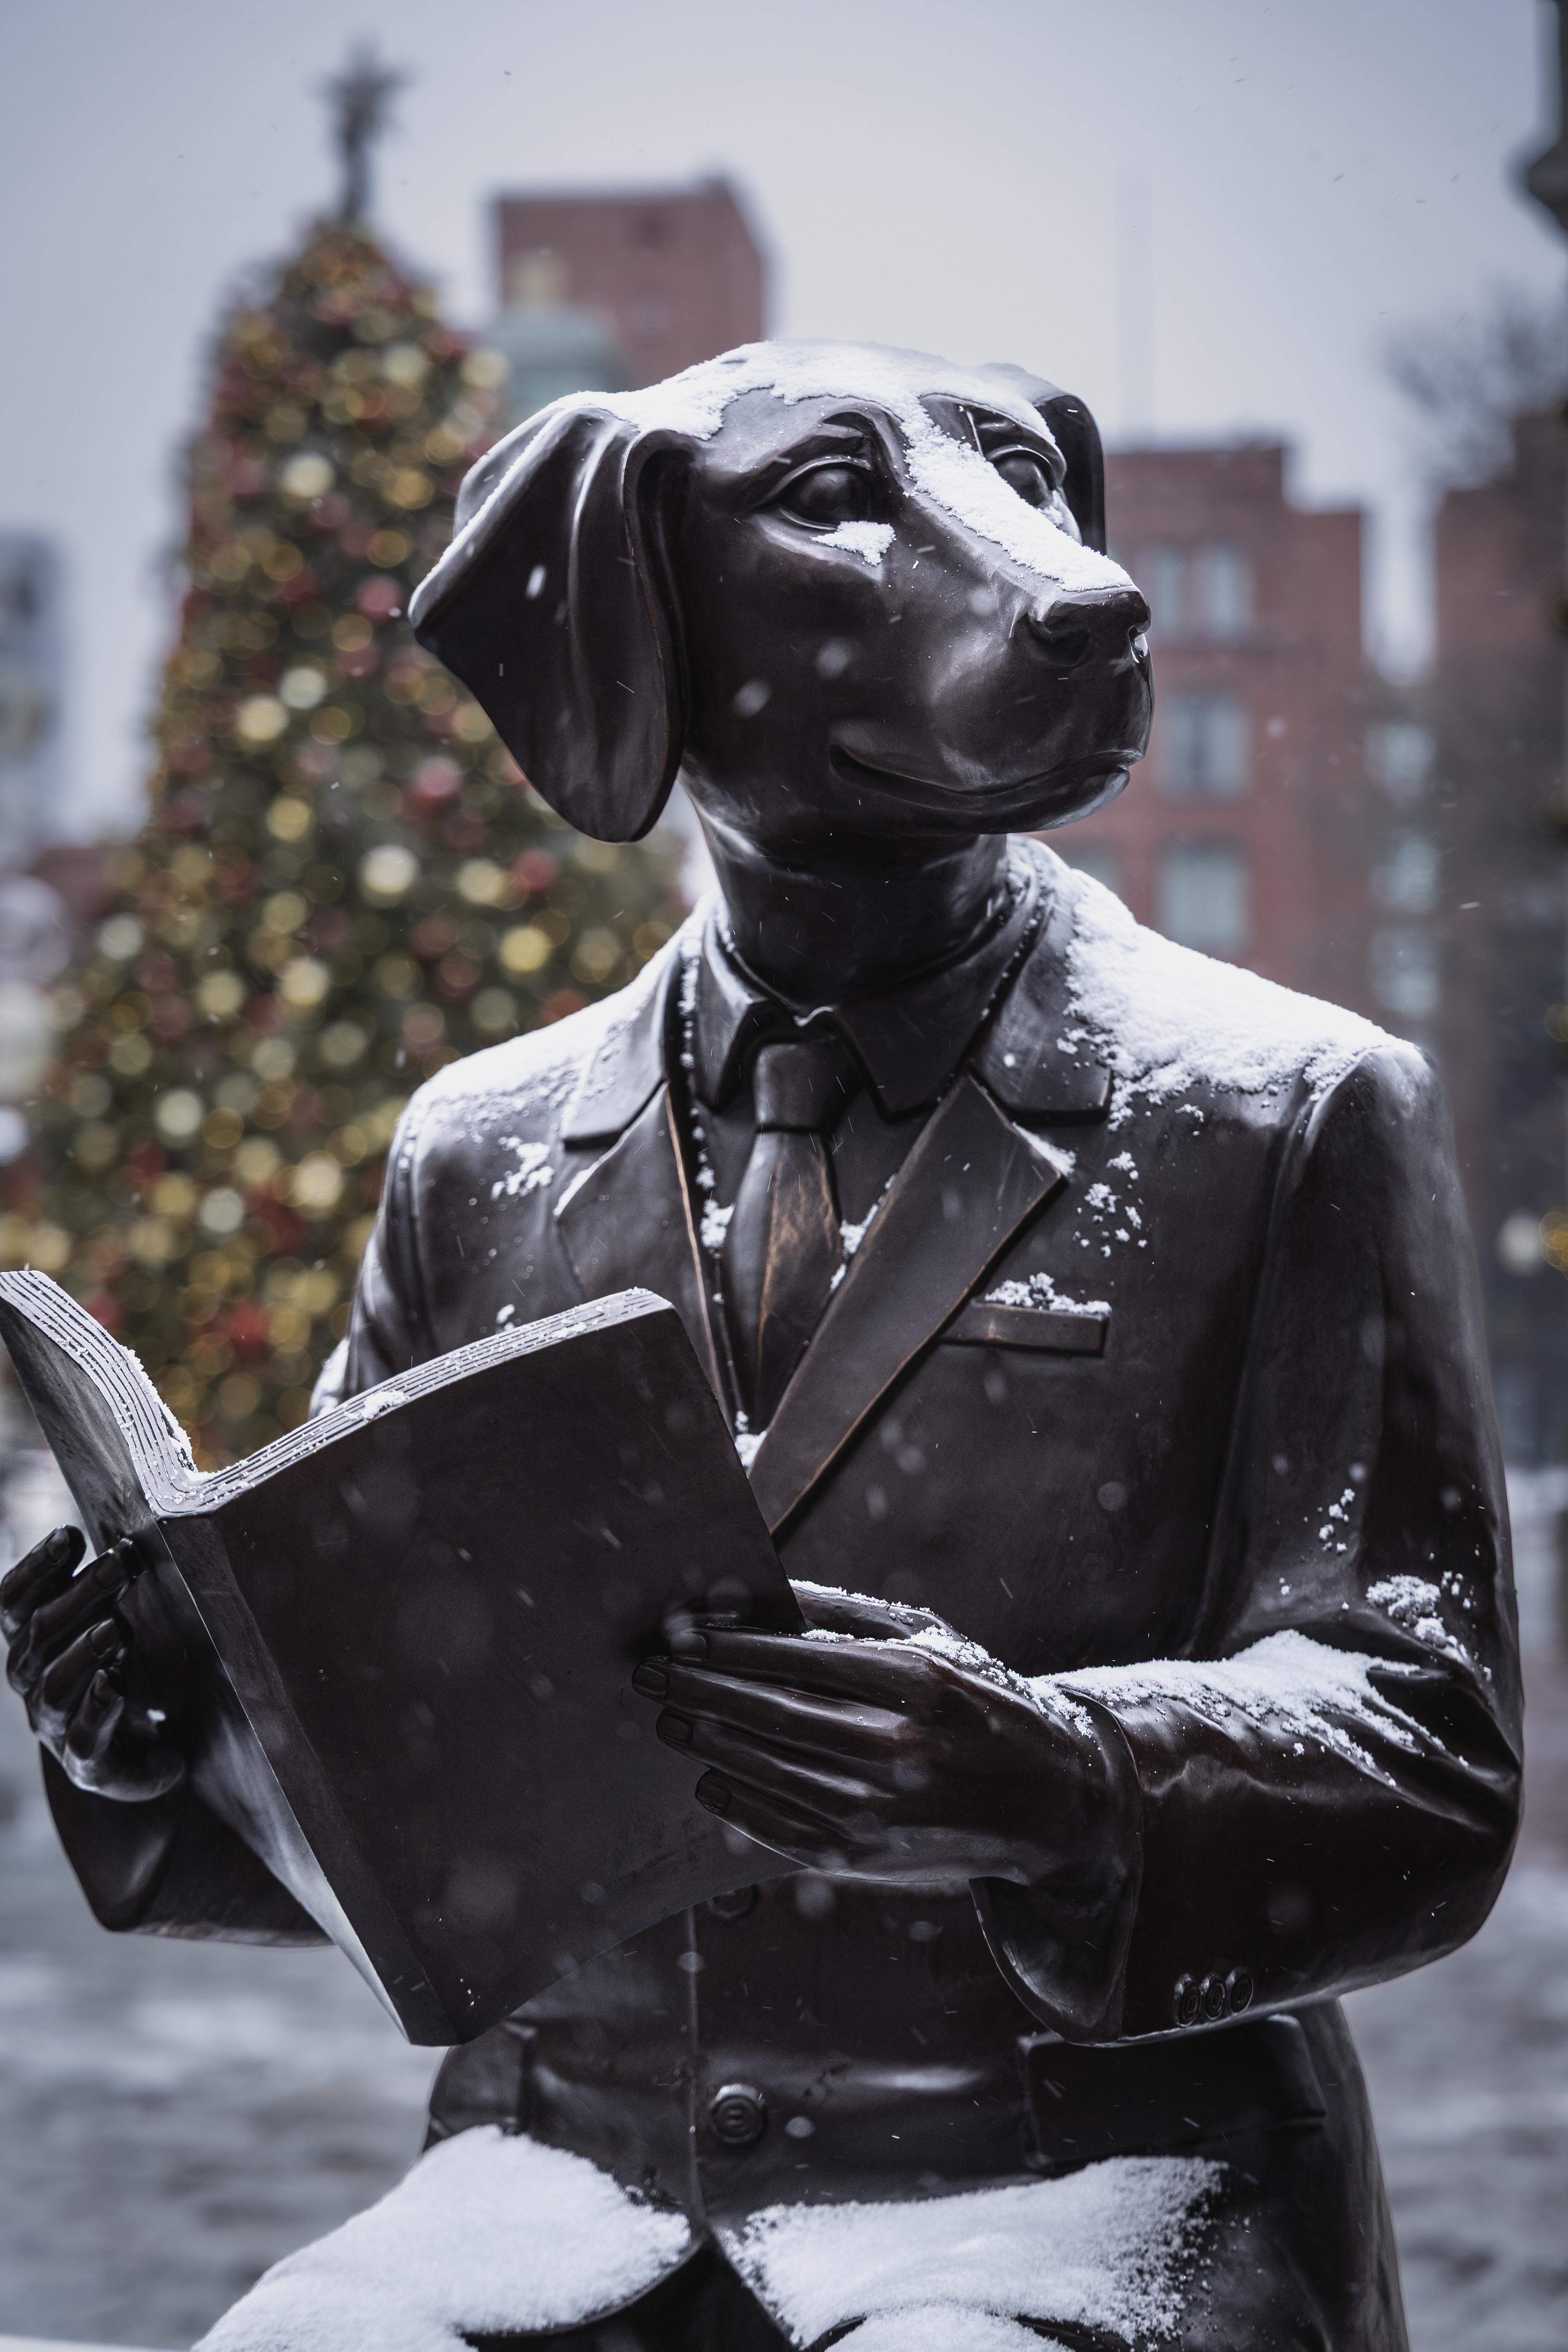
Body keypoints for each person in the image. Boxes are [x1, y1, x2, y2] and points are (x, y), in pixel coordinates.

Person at [3, 345, 1519, 2352]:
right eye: (836, 498)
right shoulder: (480, 1155)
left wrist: (1067, 1784)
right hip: (567, 2173)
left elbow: (1425, 1738)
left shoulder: (1287, 1112)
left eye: (1026, 488)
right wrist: (170, 1740)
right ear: (634, 642)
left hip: (1078, 2170)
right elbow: (411, 1790)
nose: (1065, 587)